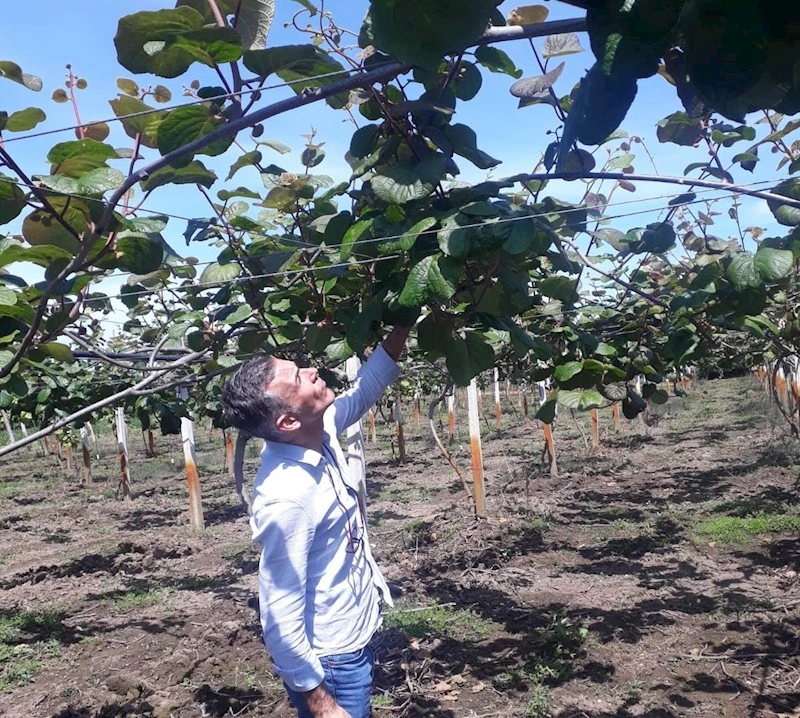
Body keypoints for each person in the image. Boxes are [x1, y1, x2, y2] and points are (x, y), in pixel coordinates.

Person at [221, 326, 411, 718]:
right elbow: (279, 611)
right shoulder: (287, 496)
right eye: (296, 378)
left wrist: (403, 323)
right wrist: (321, 704)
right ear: (287, 421)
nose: (310, 370)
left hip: (352, 639)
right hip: (332, 663)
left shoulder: (315, 433)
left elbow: (363, 392)